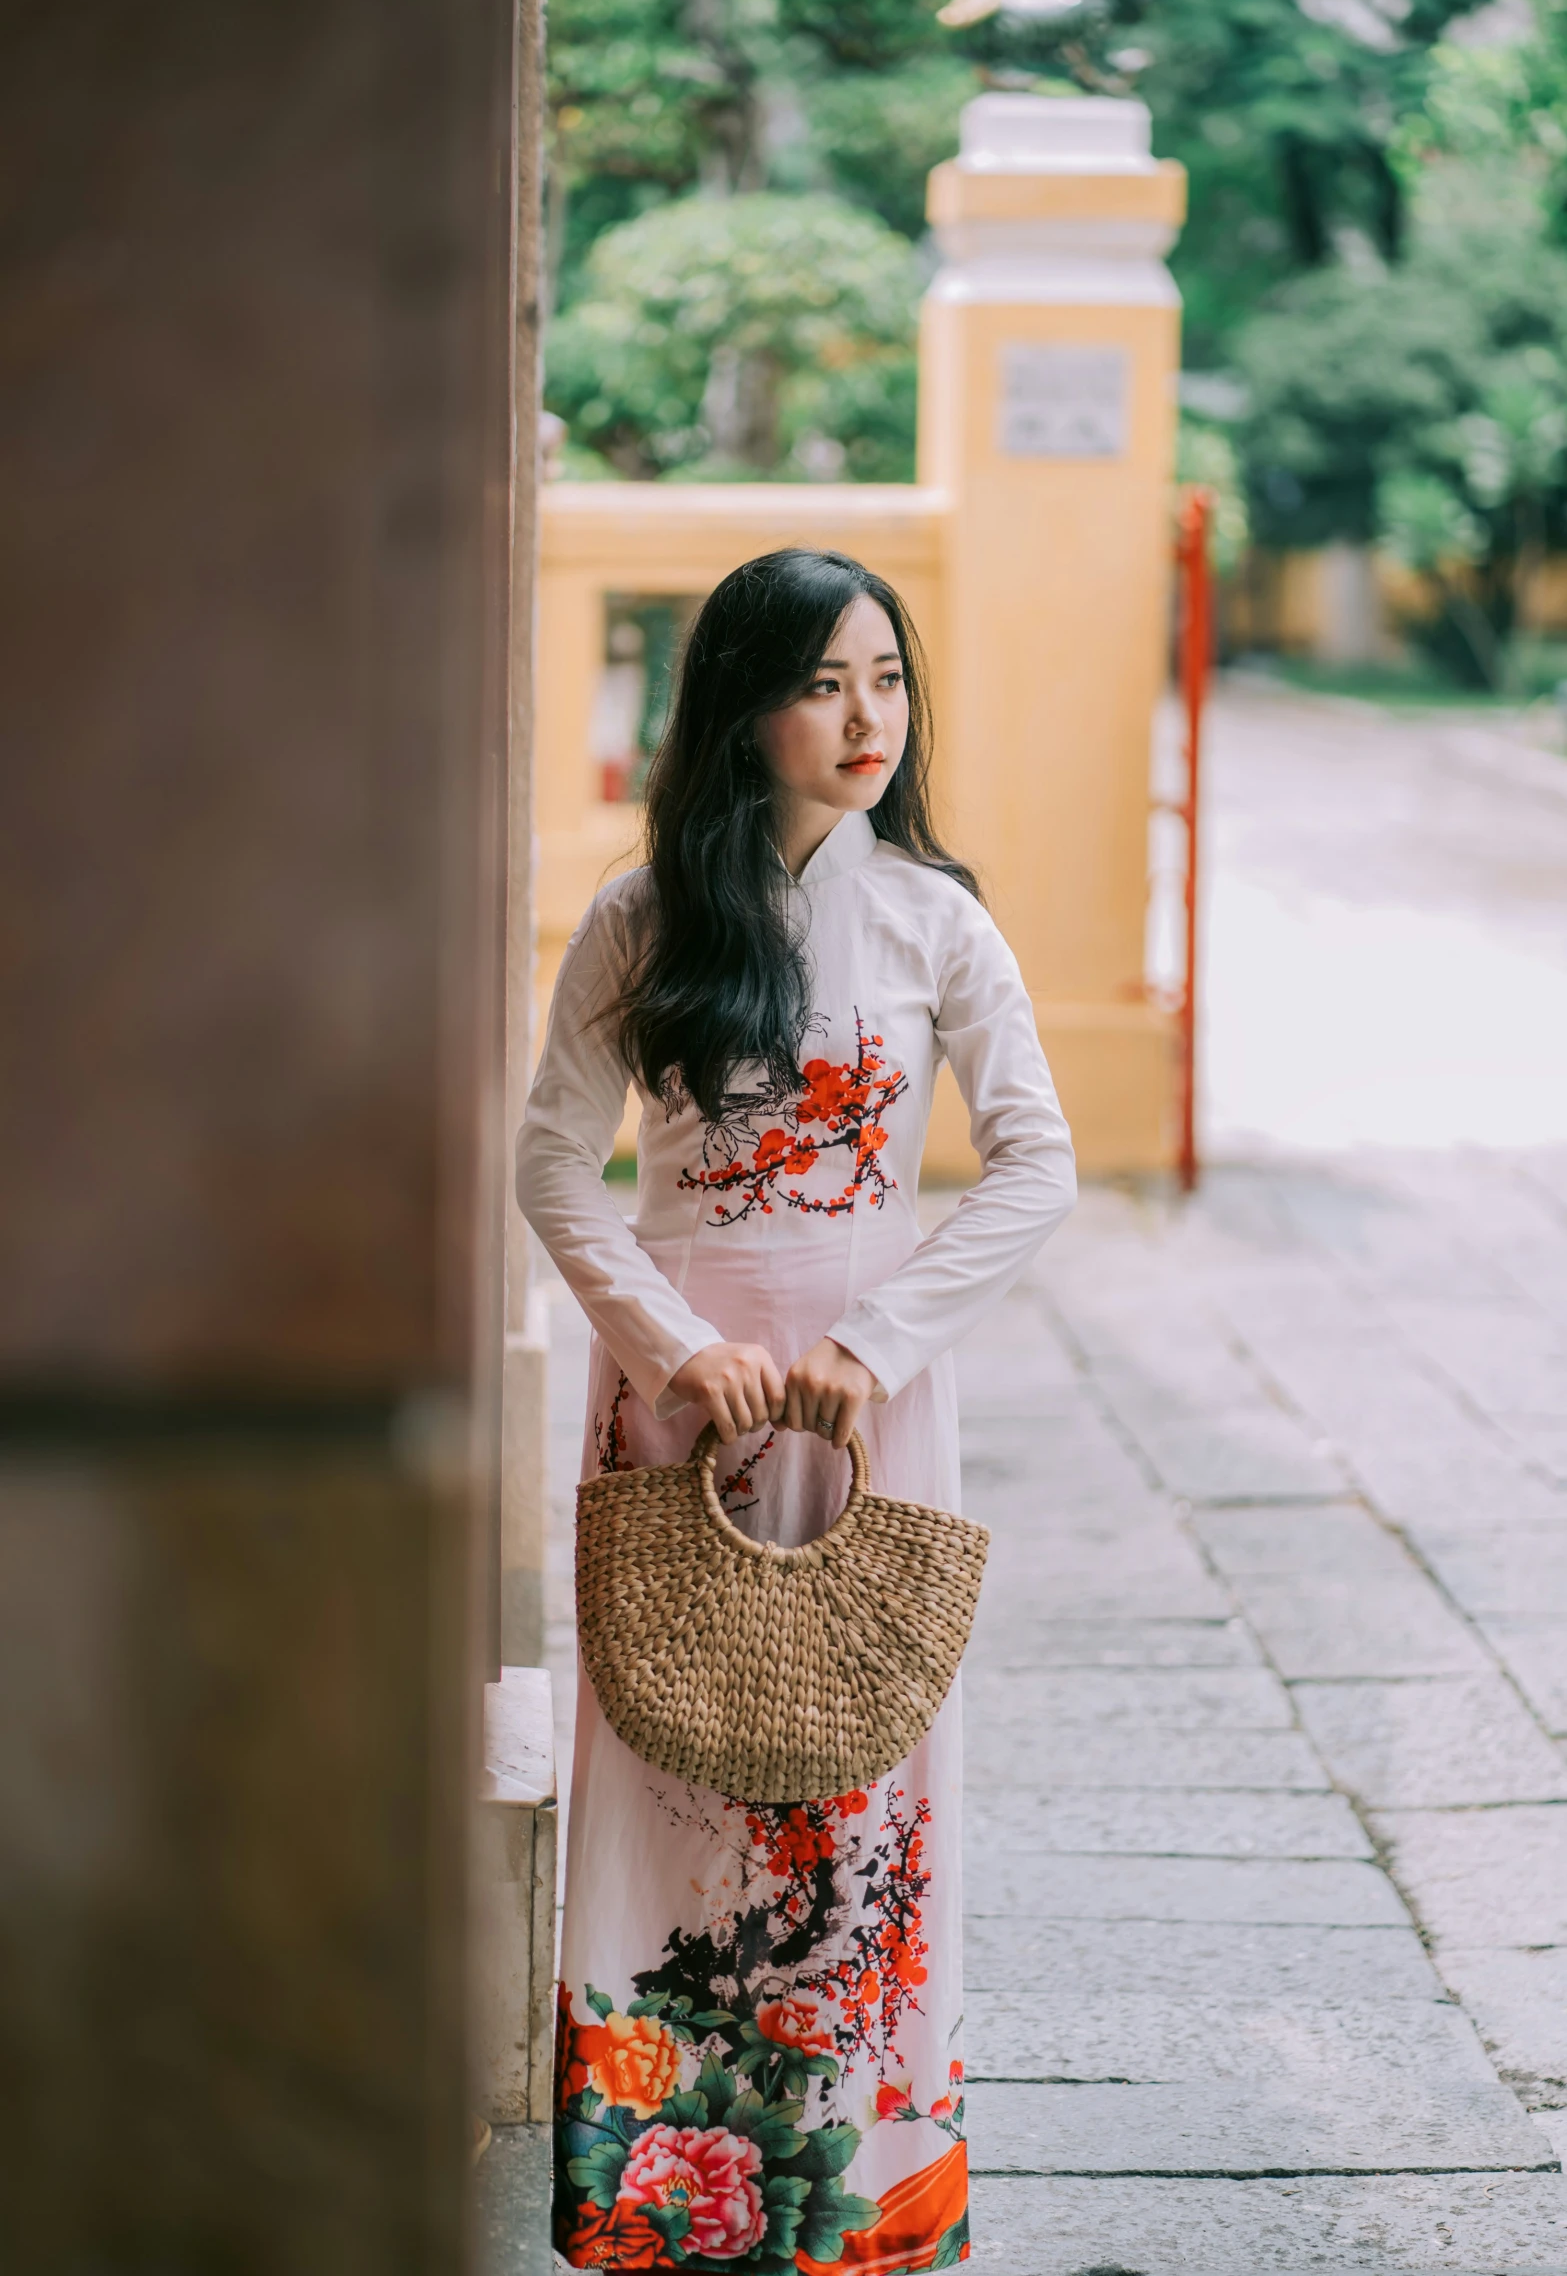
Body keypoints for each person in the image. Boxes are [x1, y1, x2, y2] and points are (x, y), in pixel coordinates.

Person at [518, 547, 1076, 2272]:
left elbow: (1034, 1166)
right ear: (742, 704)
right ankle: (659, 2195)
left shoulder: (932, 917)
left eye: (887, 680)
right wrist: (670, 1338)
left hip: (861, 1402)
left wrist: (881, 1340)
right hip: (683, 1391)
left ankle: (845, 2193)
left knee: (858, 1762)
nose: (865, 719)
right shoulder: (643, 916)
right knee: (673, 1756)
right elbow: (550, 1159)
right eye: (826, 681)